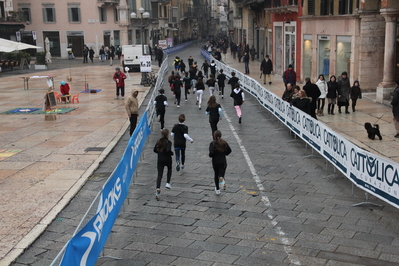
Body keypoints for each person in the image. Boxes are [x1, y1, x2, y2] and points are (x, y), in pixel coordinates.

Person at [209, 130, 232, 195]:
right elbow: (229, 151)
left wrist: (211, 154)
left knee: (216, 175)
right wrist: (225, 153)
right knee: (221, 174)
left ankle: (217, 189)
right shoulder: (224, 143)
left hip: (215, 162)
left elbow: (211, 153)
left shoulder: (212, 143)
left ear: (214, 136)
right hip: (223, 162)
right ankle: (221, 178)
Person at [154, 129, 173, 200]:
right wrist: (171, 153)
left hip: (160, 160)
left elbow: (154, 150)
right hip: (167, 159)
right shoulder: (168, 142)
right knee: (169, 169)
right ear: (167, 135)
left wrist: (160, 153)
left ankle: (158, 189)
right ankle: (168, 182)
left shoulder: (158, 141)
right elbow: (168, 150)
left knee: (159, 175)